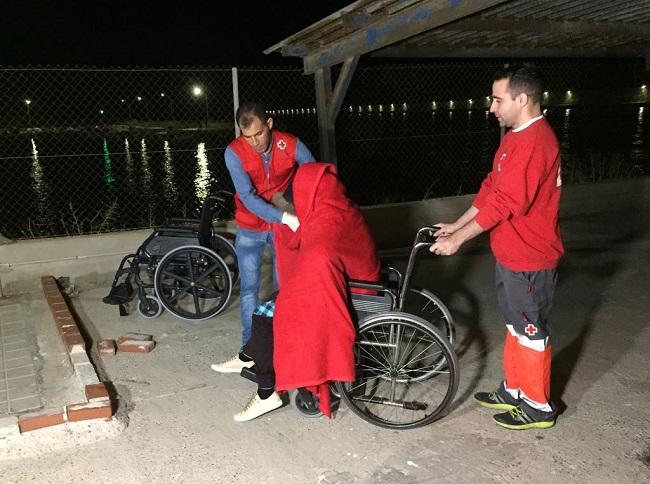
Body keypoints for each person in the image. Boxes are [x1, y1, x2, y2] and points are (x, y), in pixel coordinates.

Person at [429, 64, 563, 430]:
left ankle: (538, 406)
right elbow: (492, 190)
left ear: (522, 99)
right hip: (510, 253)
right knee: (515, 325)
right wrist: (455, 224)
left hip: (530, 257)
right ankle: (515, 389)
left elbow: (506, 203)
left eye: (497, 99)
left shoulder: (536, 142)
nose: (491, 107)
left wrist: (459, 239)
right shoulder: (515, 136)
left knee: (531, 331)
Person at [230, 162, 380, 422]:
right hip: (360, 281)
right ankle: (248, 356)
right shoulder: (337, 208)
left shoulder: (325, 226)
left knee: (266, 315)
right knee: (273, 304)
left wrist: (290, 300)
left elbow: (316, 264)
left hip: (355, 292)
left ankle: (267, 392)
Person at [211, 102, 315, 373]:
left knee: (285, 288)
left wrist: (296, 205)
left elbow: (313, 174)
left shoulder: (290, 144)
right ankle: (250, 350)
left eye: (258, 134)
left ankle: (282, 346)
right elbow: (246, 196)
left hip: (282, 228)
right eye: (247, 136)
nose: (254, 142)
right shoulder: (233, 153)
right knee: (249, 290)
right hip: (250, 227)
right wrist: (285, 217)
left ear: (269, 123)